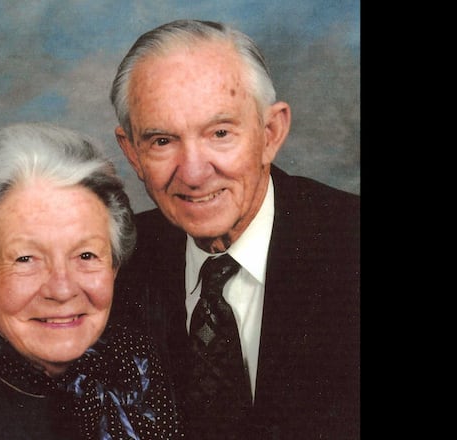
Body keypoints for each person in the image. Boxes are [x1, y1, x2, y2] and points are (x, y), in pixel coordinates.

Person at [108, 19, 359, 439]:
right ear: (132, 152)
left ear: (270, 133)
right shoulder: (115, 260)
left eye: (220, 133)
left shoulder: (349, 244)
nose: (193, 173)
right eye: (162, 141)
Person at [0, 122, 185, 439]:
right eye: (26, 259)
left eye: (86, 255)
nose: (62, 289)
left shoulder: (140, 363)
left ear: (114, 267)